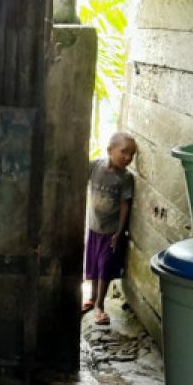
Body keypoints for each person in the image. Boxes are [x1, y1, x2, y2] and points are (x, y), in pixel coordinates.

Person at [84, 132, 138, 326]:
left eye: (132, 155)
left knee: (104, 267)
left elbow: (125, 205)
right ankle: (91, 298)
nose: (128, 158)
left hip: (111, 233)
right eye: (124, 152)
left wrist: (119, 232)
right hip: (94, 228)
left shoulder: (125, 178)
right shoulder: (95, 167)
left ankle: (100, 305)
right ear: (109, 150)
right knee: (93, 266)